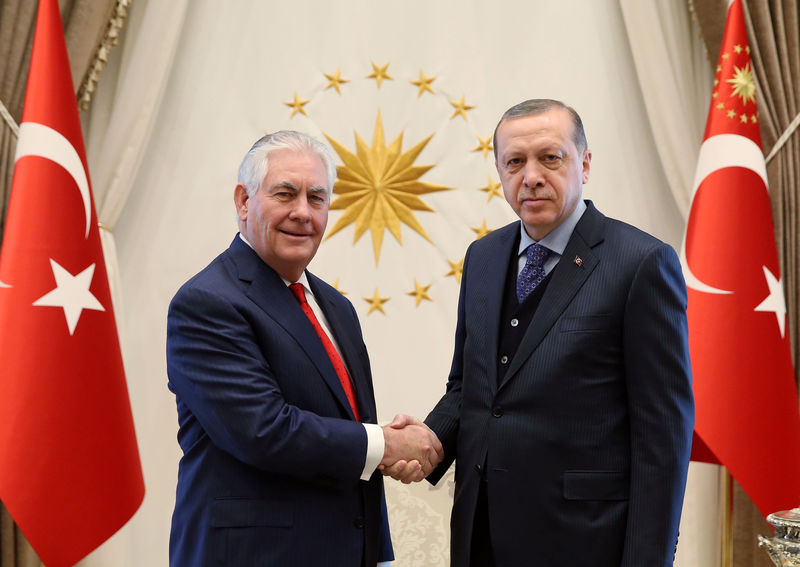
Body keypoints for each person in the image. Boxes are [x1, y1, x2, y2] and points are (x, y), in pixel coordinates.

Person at [387, 99, 694, 566]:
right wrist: (429, 439)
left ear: (584, 163)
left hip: (585, 543)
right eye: (514, 162)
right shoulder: (483, 258)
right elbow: (472, 388)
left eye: (550, 158)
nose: (530, 176)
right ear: (499, 171)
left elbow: (663, 436)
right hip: (480, 535)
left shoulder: (641, 264)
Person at [166, 130, 443, 566]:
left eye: (317, 198)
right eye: (285, 194)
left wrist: (379, 554)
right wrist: (386, 446)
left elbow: (350, 436)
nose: (302, 212)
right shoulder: (207, 302)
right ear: (243, 201)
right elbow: (265, 432)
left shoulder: (336, 308)